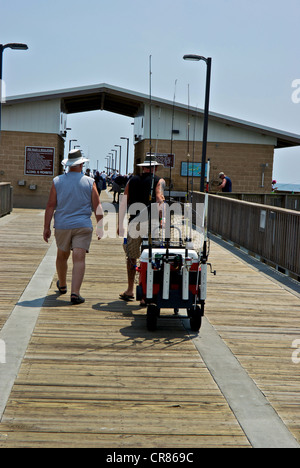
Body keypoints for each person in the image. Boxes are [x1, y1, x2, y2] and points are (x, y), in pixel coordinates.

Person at [43, 149, 103, 304]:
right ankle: (75, 293)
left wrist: (46, 227)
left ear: (69, 165)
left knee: (62, 256)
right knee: (79, 258)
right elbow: (98, 207)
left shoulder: (57, 181)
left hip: (62, 225)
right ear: (81, 164)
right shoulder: (90, 182)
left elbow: (50, 205)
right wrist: (100, 226)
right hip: (83, 225)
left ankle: (62, 285)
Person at [118, 154, 165, 305]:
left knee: (132, 256)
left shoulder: (131, 180)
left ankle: (130, 289)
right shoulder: (159, 181)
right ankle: (146, 293)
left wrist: (119, 223)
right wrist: (162, 218)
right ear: (155, 168)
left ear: (143, 167)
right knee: (151, 257)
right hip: (152, 224)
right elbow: (159, 199)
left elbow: (124, 201)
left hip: (134, 223)